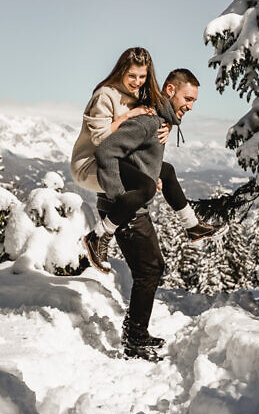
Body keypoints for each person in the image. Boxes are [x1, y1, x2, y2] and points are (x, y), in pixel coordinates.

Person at [81, 68, 211, 361]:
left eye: (193, 101)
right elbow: (107, 152)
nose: (190, 105)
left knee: (150, 269)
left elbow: (133, 158)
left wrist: (149, 176)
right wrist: (126, 194)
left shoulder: (159, 121)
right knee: (150, 270)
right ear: (169, 90)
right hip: (124, 207)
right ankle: (134, 340)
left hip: (131, 205)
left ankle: (135, 334)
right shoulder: (149, 121)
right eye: (187, 98)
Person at [70, 48, 222, 273]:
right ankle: (98, 237)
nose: (137, 82)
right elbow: (102, 141)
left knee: (166, 171)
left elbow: (159, 112)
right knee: (145, 186)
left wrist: (167, 125)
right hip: (91, 163)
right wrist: (127, 116)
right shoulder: (105, 95)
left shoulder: (139, 94)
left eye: (142, 77)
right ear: (121, 71)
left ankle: (192, 226)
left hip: (118, 158)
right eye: (132, 76)